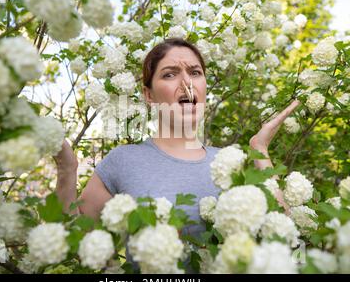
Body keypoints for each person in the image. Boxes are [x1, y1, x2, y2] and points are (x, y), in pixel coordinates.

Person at [54, 38, 300, 236]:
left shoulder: (231, 162)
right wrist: (67, 169)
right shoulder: (123, 161)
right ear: (148, 95)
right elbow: (73, 238)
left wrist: (261, 150)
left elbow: (285, 238)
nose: (186, 83)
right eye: (170, 74)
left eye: (195, 72)